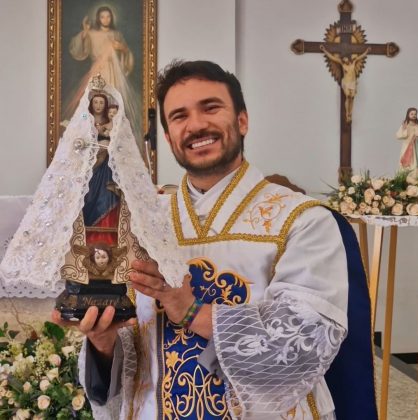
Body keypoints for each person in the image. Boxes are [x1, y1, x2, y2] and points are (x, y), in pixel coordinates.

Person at [53, 60, 377, 419]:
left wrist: (191, 309)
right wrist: (102, 341)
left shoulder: (302, 220)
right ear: (168, 137)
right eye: (179, 116)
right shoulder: (143, 222)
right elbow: (133, 352)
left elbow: (300, 350)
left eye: (210, 107)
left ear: (242, 121)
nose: (196, 125)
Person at [65, 5, 141, 144]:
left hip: (114, 71)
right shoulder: (92, 33)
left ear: (111, 18)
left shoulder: (116, 34)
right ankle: (94, 134)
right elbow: (78, 48)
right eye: (102, 16)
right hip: (98, 71)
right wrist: (85, 31)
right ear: (98, 19)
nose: (105, 19)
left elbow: (126, 53)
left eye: (108, 16)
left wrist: (122, 48)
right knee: (94, 101)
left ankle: (113, 134)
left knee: (114, 102)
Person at [83, 92, 119, 245]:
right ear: (91, 104)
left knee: (107, 195)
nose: (98, 105)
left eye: (101, 103)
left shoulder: (109, 121)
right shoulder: (85, 121)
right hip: (92, 164)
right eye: (95, 102)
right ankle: (88, 238)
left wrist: (108, 146)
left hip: (107, 167)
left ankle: (107, 237)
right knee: (89, 195)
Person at [320, 45, 371, 123]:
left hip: (353, 83)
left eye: (345, 58)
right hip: (346, 83)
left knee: (352, 98)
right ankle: (347, 114)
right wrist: (324, 50)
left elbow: (361, 56)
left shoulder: (353, 62)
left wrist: (367, 51)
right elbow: (332, 57)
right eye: (343, 59)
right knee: (348, 97)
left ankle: (350, 113)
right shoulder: (342, 64)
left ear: (348, 58)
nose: (344, 59)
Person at [396, 107, 418, 173]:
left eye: (415, 114)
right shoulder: (405, 125)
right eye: (412, 114)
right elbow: (399, 136)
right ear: (408, 115)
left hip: (416, 148)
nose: (414, 116)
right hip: (406, 147)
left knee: (415, 163)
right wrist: (404, 129)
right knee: (406, 165)